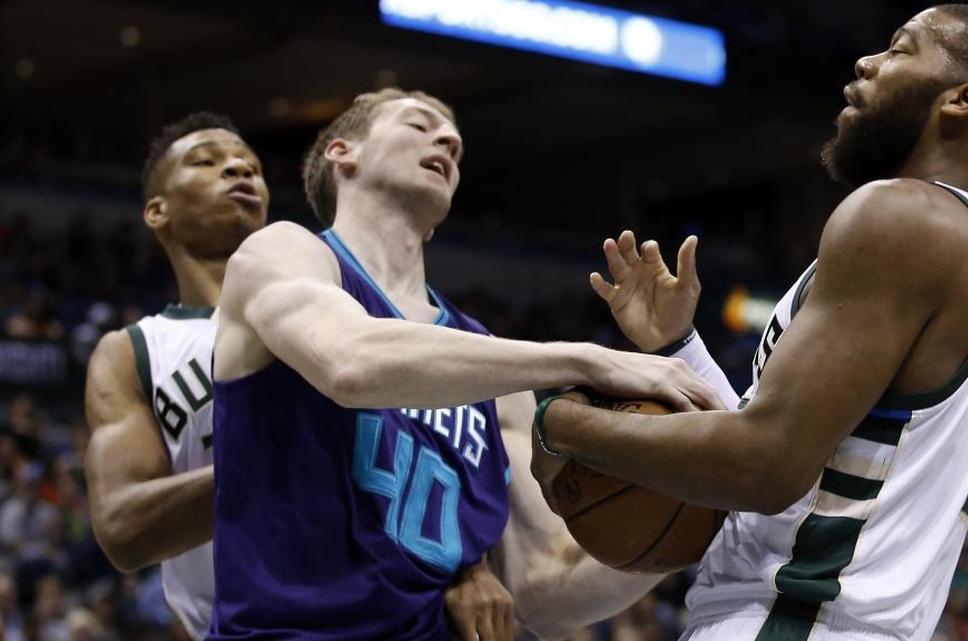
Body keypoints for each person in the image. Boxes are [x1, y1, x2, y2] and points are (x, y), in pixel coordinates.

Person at [531, 5, 968, 641]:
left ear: (964, 98)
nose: (867, 62)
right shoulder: (951, 236)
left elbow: (764, 468)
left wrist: (563, 423)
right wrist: (679, 347)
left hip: (794, 623)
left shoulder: (904, 217)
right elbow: (801, 461)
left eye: (900, 49)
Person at [207, 88, 718, 640]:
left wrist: (696, 500)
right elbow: (349, 362)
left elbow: (546, 585)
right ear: (343, 153)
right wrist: (585, 360)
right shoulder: (283, 252)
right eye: (419, 124)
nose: (447, 139)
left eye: (453, 138)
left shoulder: (493, 372)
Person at [83, 113, 269, 639]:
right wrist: (278, 460)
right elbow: (123, 527)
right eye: (206, 162)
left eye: (250, 166)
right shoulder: (133, 351)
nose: (237, 168)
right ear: (157, 211)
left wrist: (471, 567)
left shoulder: (334, 304)